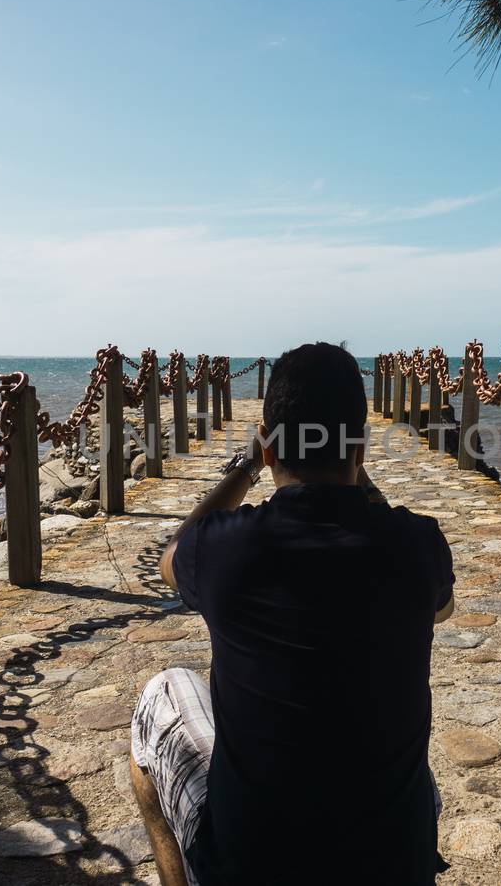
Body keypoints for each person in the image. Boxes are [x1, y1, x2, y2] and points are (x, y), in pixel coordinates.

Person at [129, 341, 456, 886]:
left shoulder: (223, 548)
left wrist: (245, 468)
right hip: (391, 864)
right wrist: (357, 476)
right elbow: (443, 610)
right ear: (361, 449)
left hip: (254, 864)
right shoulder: (417, 545)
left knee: (161, 695)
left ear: (270, 449)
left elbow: (172, 556)